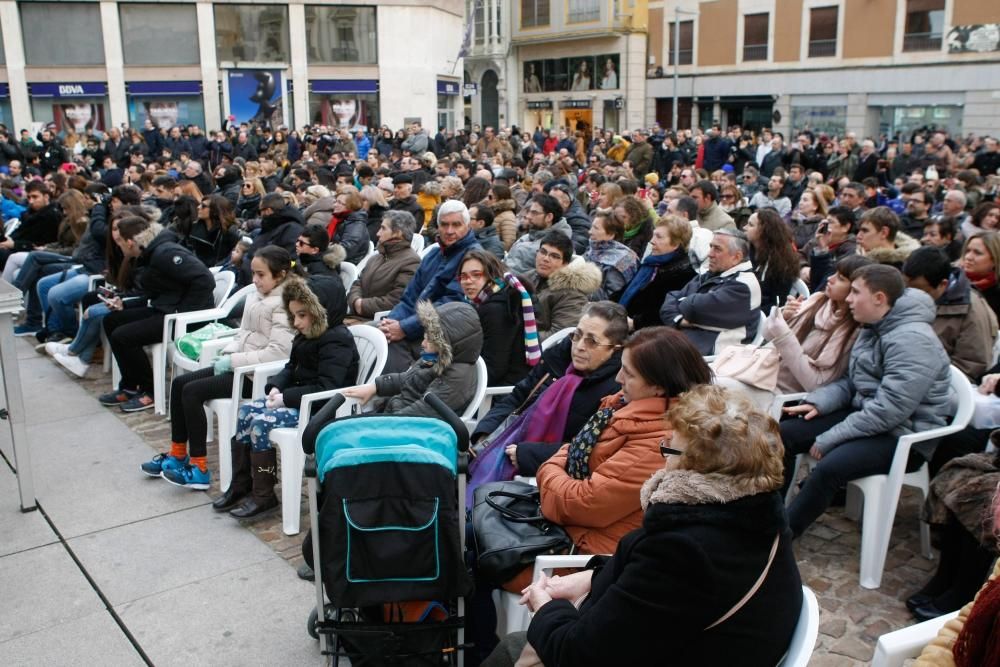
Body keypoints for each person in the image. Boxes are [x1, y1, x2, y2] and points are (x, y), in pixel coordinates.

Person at [487, 384, 802, 667]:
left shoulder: (684, 548)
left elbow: (577, 655)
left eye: (669, 448)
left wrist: (544, 609)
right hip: (692, 644)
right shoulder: (757, 514)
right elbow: (662, 595)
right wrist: (593, 578)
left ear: (701, 467)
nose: (663, 459)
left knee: (510, 650)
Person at [779, 265, 955, 537]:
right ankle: (769, 514)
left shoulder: (913, 340)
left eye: (856, 292)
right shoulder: (874, 326)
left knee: (829, 467)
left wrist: (833, 436)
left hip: (905, 436)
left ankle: (780, 540)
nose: (848, 299)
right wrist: (820, 402)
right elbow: (852, 382)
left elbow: (891, 409)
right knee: (784, 434)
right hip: (869, 417)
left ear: (879, 298)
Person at [140, 245, 298, 490]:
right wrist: (229, 350)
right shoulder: (259, 296)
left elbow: (279, 351)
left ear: (280, 276)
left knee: (192, 392)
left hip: (256, 376)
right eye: (253, 274)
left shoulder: (285, 304)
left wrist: (233, 361)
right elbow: (245, 333)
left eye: (261, 275)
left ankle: (199, 467)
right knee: (180, 383)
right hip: (240, 365)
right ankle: (177, 453)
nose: (254, 280)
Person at [215, 276, 359, 517]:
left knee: (261, 424)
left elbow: (327, 387)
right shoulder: (306, 333)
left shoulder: (337, 340)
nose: (297, 322)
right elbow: (291, 367)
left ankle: (264, 494)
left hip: (321, 408)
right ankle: (242, 483)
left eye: (302, 315)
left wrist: (286, 398)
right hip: (298, 399)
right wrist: (276, 386)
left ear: (321, 311)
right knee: (246, 411)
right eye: (294, 316)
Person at [473, 302, 627, 476]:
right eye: (577, 335)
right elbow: (518, 397)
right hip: (507, 446)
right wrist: (485, 431)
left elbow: (592, 450)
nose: (579, 346)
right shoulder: (557, 360)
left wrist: (528, 455)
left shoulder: (617, 389)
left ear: (615, 350)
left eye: (592, 341)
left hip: (552, 474)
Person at [98, 217, 216, 412]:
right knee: (112, 321)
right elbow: (159, 293)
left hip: (185, 317)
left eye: (119, 243)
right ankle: (130, 385)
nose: (118, 248)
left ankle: (149, 391)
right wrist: (125, 305)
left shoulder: (164, 252)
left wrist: (183, 314)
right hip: (167, 309)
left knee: (124, 336)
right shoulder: (150, 253)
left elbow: (205, 280)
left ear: (130, 242)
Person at [379, 200, 481, 372]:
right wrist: (392, 323)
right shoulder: (434, 254)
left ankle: (389, 394)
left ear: (467, 225)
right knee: (378, 334)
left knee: (389, 346)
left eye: (456, 225)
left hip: (441, 336)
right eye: (444, 225)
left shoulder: (474, 258)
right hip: (416, 325)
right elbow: (409, 298)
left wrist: (404, 328)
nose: (449, 231)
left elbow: (450, 307)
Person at [344, 300, 483, 417]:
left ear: (447, 343)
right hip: (394, 416)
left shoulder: (457, 378)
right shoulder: (435, 357)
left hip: (409, 433)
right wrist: (376, 386)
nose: (423, 343)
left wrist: (381, 421)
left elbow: (421, 413)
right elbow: (409, 378)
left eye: (430, 340)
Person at [763, 255, 872, 394]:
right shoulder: (818, 300)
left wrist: (784, 337)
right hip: (763, 373)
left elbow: (815, 385)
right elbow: (765, 335)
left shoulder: (850, 331)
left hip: (781, 392)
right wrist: (784, 316)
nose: (829, 279)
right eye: (834, 273)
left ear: (855, 290)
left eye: (841, 279)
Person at [902, 246, 998, 382]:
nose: (912, 297)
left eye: (921, 292)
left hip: (941, 387)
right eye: (907, 289)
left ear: (942, 284)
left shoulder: (971, 310)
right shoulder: (905, 296)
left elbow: (971, 366)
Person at [660, 230, 762, 356]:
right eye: (710, 247)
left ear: (736, 257)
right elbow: (670, 298)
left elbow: (692, 308)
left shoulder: (743, 286)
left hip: (710, 357)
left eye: (717, 249)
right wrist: (680, 319)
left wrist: (683, 304)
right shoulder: (713, 272)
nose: (710, 254)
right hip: (683, 345)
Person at [458, 250, 536, 386]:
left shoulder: (496, 309)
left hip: (504, 390)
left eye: (476, 275)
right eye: (464, 276)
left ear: (491, 275)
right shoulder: (488, 299)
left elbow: (494, 368)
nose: (468, 281)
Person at [620, 214, 695, 330]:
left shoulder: (684, 276)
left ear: (676, 244)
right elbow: (625, 291)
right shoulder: (650, 264)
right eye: (653, 235)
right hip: (622, 321)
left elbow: (665, 313)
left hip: (644, 335)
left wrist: (636, 323)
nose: (651, 241)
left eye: (659, 237)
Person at [524, 232, 602, 341]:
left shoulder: (572, 294)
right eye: (543, 252)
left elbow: (558, 335)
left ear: (565, 264)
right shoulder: (529, 276)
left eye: (554, 256)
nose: (545, 258)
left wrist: (515, 335)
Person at [745, 208, 800, 308]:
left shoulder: (783, 263)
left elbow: (777, 303)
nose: (745, 227)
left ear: (765, 231)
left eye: (751, 225)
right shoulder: (747, 252)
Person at [505, 193, 573, 275]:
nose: (528, 216)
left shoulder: (559, 245)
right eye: (529, 212)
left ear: (549, 217)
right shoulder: (529, 235)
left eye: (534, 213)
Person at [584, 211, 639, 302]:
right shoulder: (594, 249)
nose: (590, 231)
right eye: (592, 226)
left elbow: (611, 298)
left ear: (610, 235)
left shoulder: (620, 261)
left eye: (596, 228)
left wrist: (580, 282)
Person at [803, 206, 858, 291]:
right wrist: (803, 268)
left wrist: (823, 249)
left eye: (831, 222)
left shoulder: (851, 249)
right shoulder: (817, 240)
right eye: (825, 222)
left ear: (845, 227)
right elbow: (799, 255)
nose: (826, 226)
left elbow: (832, 272)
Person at [188, 194, 240, 267]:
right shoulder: (196, 226)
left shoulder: (229, 232)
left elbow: (231, 256)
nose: (198, 207)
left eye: (203, 206)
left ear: (215, 211)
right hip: (196, 266)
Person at [961, 231, 1000, 319]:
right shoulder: (953, 282)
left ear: (994, 260)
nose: (968, 257)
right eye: (967, 251)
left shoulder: (996, 293)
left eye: (977, 253)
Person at [328, 185, 370, 265]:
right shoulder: (339, 218)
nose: (335, 205)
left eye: (340, 203)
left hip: (343, 264)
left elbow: (346, 249)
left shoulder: (356, 224)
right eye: (336, 201)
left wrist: (323, 250)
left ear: (351, 206)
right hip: (335, 260)